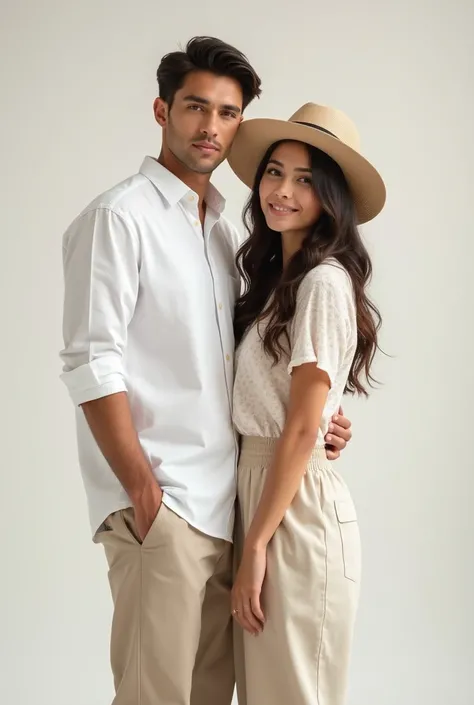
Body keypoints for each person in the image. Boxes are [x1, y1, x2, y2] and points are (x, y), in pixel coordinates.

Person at [59, 36, 353, 705]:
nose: (210, 126)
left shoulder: (224, 234)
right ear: (162, 111)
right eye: (196, 107)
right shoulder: (119, 217)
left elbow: (250, 369)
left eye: (227, 113)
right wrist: (140, 489)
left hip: (231, 506)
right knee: (151, 695)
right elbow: (89, 359)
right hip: (162, 503)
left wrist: (318, 419)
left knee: (207, 695)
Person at [227, 102, 386, 705]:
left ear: (331, 196)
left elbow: (297, 431)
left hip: (291, 512)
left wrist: (260, 545)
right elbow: (296, 413)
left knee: (295, 692)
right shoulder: (274, 282)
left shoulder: (322, 282)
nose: (282, 190)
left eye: (303, 179)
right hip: (261, 489)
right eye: (274, 172)